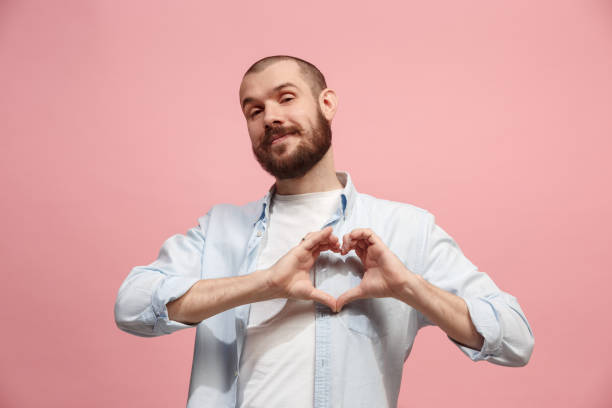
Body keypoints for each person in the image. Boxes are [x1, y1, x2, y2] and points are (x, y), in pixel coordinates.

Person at [114, 55, 534, 408]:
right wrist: (264, 284)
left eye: (286, 98)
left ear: (327, 103)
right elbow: (132, 306)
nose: (271, 117)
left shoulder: (406, 228)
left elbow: (515, 339)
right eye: (254, 110)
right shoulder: (220, 228)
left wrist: (409, 287)